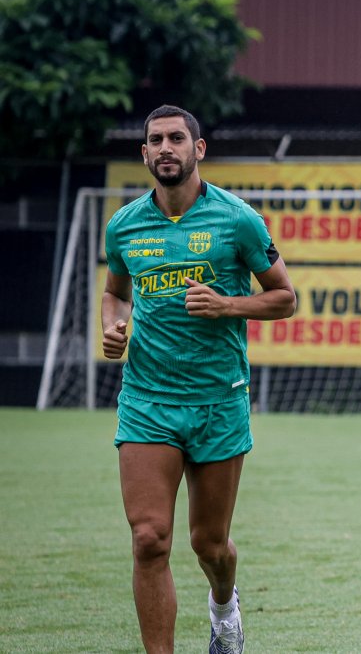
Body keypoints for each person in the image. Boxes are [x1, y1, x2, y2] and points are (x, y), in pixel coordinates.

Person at [101, 105, 296, 654]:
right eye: (155, 140)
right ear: (144, 154)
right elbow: (115, 292)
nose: (166, 147)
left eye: (176, 138)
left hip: (218, 401)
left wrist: (227, 304)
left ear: (198, 149)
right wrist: (114, 326)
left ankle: (224, 609)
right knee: (148, 539)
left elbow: (285, 298)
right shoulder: (124, 225)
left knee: (209, 545)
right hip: (147, 400)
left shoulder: (238, 220)